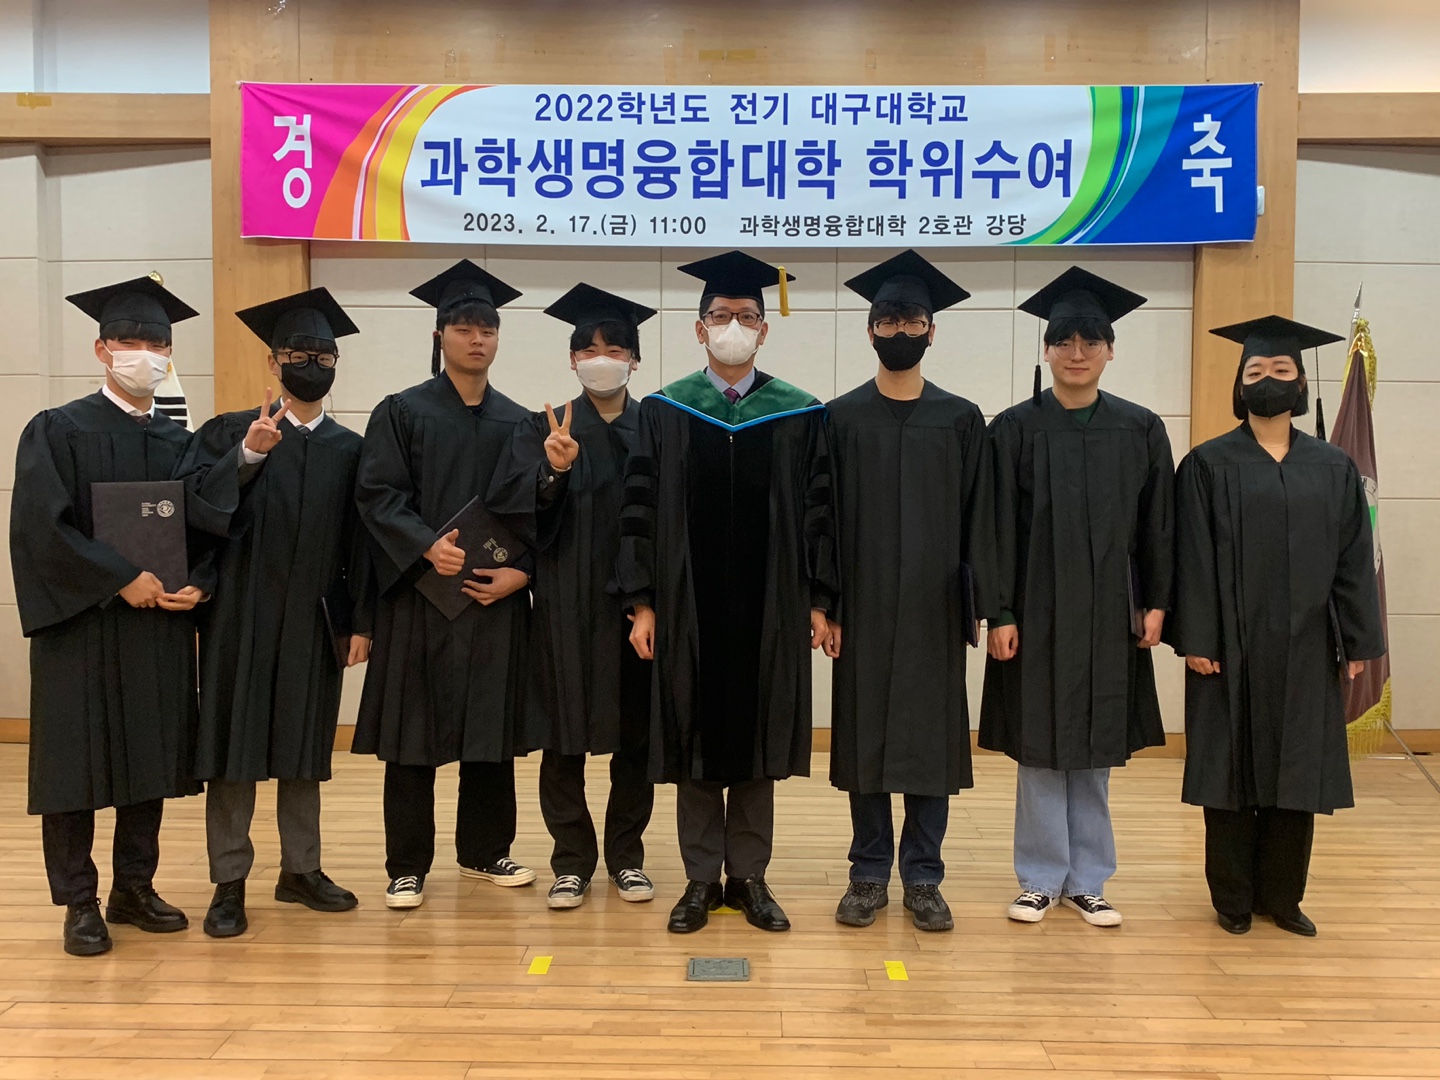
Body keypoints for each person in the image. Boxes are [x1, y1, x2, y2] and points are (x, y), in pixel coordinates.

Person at [617, 250, 839, 934]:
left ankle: (747, 877)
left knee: (756, 742)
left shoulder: (799, 413)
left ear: (764, 330)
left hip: (771, 605)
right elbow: (638, 509)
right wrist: (643, 602)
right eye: (720, 315)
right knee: (692, 737)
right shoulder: (664, 410)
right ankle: (697, 879)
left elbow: (820, 512)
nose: (733, 326)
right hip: (687, 605)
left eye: (746, 316)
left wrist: (819, 600)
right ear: (699, 328)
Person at [1168, 315, 1385, 937]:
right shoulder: (1207, 464)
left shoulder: (1334, 467)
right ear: (1240, 384)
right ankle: (1233, 898)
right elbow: (1191, 557)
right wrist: (1198, 638)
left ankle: (1284, 898)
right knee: (1228, 772)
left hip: (1309, 643)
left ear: (1301, 383)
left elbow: (1352, 560)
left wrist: (1358, 640)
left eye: (1281, 369)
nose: (1269, 379)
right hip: (1229, 646)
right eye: (1256, 370)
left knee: (1298, 770)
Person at [10, 275, 208, 956]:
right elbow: (40, 527)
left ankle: (133, 888)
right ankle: (78, 903)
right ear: (102, 350)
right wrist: (120, 578)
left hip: (155, 625)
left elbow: (207, 529)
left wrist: (199, 584)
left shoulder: (180, 441)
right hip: (82, 625)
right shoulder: (58, 429)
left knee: (147, 757)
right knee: (74, 765)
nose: (144, 353)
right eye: (129, 341)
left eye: (157, 344)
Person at [980, 266, 1174, 928]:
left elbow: (1158, 525)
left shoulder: (1141, 429)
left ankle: (1089, 880)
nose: (1077, 352)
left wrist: (1156, 602)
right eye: (1064, 340)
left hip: (1110, 612)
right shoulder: (1013, 429)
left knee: (1095, 743)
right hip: (1035, 613)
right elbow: (995, 527)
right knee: (1039, 745)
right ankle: (1039, 878)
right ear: (1047, 349)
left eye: (1091, 340)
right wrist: (1000, 611)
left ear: (1111, 350)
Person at [175, 287, 372, 937]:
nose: (311, 364)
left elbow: (361, 544)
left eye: (323, 355)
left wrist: (361, 621)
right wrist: (250, 456)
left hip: (315, 617)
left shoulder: (351, 449)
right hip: (240, 615)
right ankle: (228, 881)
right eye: (297, 354)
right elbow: (190, 512)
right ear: (273, 362)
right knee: (233, 746)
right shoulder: (228, 433)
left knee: (303, 743)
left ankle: (301, 870)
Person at [353, 260, 537, 910]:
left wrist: (522, 573)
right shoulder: (403, 412)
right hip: (419, 598)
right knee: (413, 734)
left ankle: (486, 850)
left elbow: (537, 515)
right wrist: (424, 545)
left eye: (487, 328)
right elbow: (376, 495)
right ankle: (407, 865)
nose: (477, 339)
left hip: (492, 598)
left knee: (491, 731)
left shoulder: (520, 421)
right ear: (440, 336)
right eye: (463, 328)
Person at [825, 250, 995, 933]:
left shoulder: (961, 418)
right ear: (870, 330)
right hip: (862, 605)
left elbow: (981, 518)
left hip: (933, 606)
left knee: (930, 744)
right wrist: (826, 603)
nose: (901, 331)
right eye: (889, 320)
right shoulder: (839, 419)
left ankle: (924, 877)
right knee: (865, 740)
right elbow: (822, 520)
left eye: (913, 320)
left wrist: (980, 606)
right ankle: (868, 873)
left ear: (932, 330)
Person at [488, 283, 658, 911]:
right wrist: (553, 471)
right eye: (588, 350)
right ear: (571, 360)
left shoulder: (658, 427)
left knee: (635, 740)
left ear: (634, 359)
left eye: (614, 349)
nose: (601, 359)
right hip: (563, 601)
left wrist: (653, 601)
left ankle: (627, 858)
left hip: (636, 606)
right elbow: (512, 512)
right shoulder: (542, 427)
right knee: (563, 739)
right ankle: (571, 862)